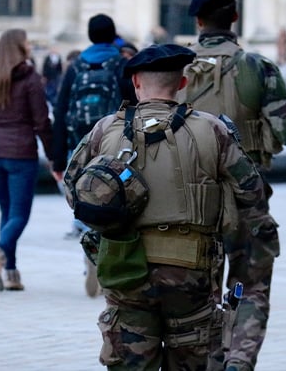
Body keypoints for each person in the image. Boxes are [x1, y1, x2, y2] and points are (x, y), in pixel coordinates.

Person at [63, 43, 266, 371]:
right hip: (190, 273)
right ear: (183, 84)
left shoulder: (106, 129)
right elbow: (251, 192)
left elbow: (74, 194)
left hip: (124, 269)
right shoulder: (212, 130)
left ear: (136, 83)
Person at [179, 0, 286, 371]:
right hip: (248, 198)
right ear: (234, 17)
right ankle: (240, 359)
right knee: (248, 288)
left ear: (198, 21)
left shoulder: (175, 67)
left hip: (191, 202)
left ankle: (212, 360)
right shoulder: (258, 68)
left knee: (204, 292)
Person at [51, 14, 136, 295]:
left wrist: (57, 158)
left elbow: (61, 111)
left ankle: (90, 249)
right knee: (119, 201)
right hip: (115, 144)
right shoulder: (121, 64)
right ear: (113, 36)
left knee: (86, 198)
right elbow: (134, 106)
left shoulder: (75, 67)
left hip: (81, 145)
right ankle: (108, 261)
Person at [0, 29, 54, 292]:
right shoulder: (30, 78)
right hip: (21, 154)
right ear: (20, 46)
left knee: (8, 213)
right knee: (19, 215)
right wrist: (54, 155)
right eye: (27, 42)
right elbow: (41, 121)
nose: (30, 46)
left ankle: (11, 272)